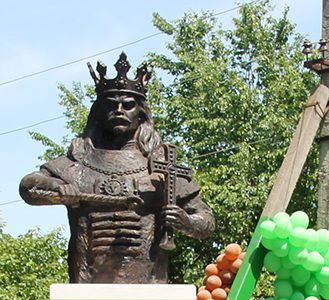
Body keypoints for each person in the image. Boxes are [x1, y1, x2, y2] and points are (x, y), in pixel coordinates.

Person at [19, 53, 214, 283]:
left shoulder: (162, 167)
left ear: (141, 113)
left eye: (128, 105)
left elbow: (206, 221)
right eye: (111, 105)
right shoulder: (78, 162)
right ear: (99, 112)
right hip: (86, 282)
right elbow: (29, 187)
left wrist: (186, 222)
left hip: (150, 284)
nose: (119, 110)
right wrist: (57, 188)